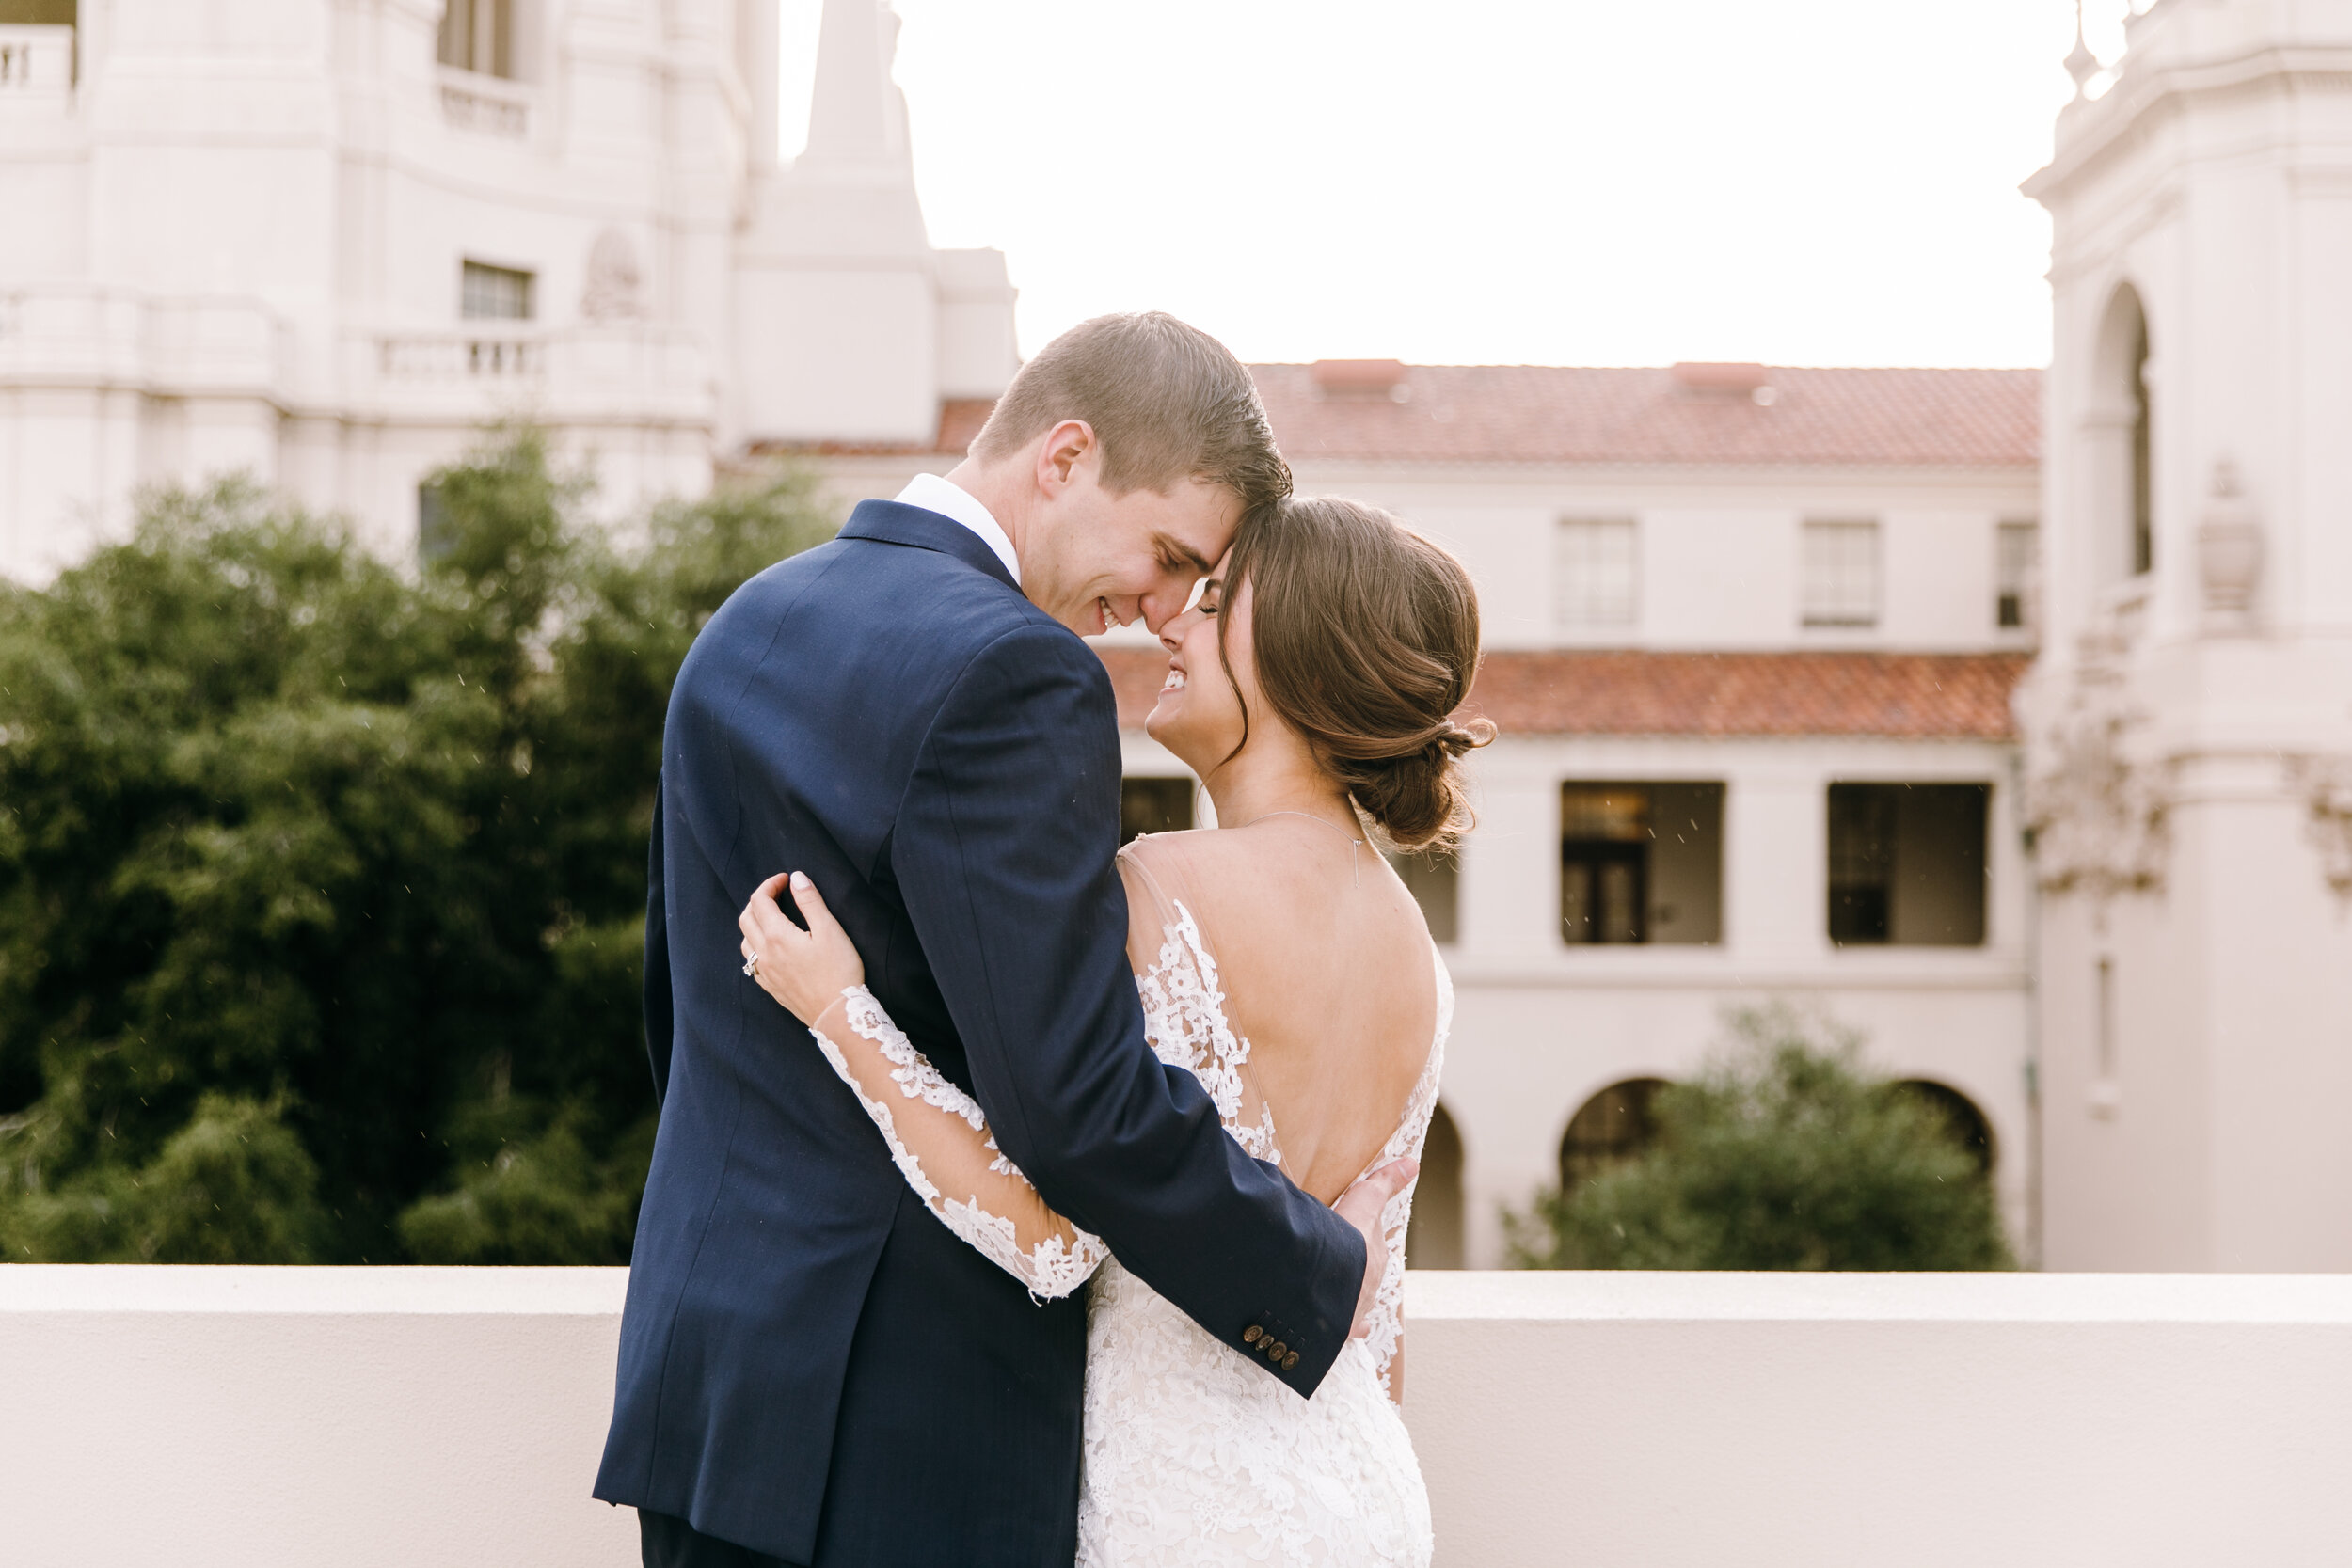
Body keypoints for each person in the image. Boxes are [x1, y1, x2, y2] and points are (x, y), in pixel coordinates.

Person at [594, 313, 1417, 1568]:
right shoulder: (1019, 671)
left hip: (703, 1379)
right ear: (1065, 455)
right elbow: (1073, 1102)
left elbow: (683, 1014)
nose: (1152, 611)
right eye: (1167, 554)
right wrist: (1311, 1269)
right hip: (909, 1430)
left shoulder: (747, 622)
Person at [739, 493, 1490, 1566]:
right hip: (1364, 1494)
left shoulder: (1156, 886)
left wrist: (841, 1010)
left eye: (1216, 602)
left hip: (1181, 1515)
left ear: (1295, 657)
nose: (1169, 621)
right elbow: (1378, 1317)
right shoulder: (1418, 951)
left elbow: (1051, 1235)